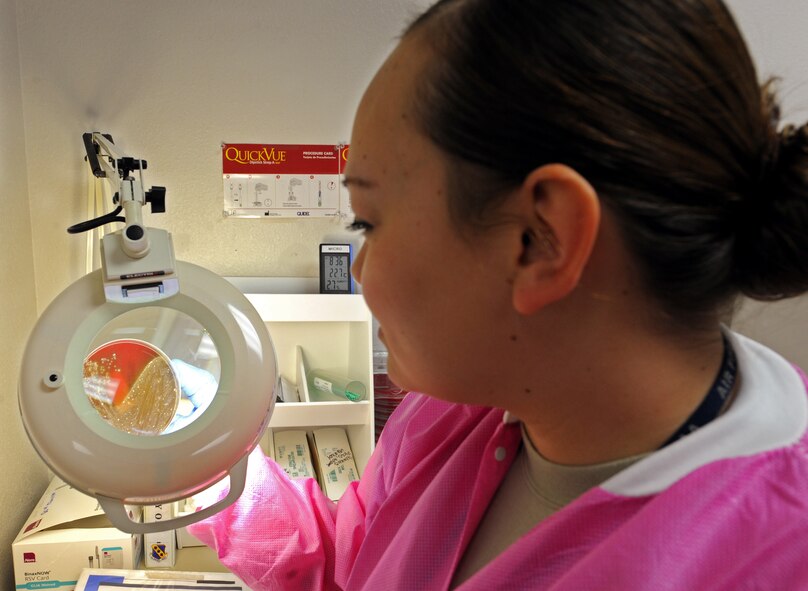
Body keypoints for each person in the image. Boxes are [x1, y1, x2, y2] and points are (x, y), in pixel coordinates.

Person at [188, 0, 808, 588]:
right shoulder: (454, 411)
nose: (359, 270)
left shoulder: (777, 557)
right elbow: (350, 562)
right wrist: (190, 453)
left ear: (542, 239)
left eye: (367, 222)